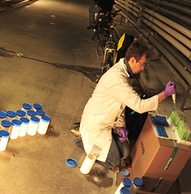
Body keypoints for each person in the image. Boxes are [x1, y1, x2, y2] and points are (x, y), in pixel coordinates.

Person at [74, 41, 176, 169]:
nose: (143, 68)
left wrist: (121, 125)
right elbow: (139, 106)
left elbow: (120, 106)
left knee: (125, 152)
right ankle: (82, 140)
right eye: (142, 64)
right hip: (95, 124)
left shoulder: (125, 73)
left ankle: (94, 141)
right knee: (113, 161)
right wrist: (165, 94)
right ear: (133, 60)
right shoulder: (117, 78)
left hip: (107, 122)